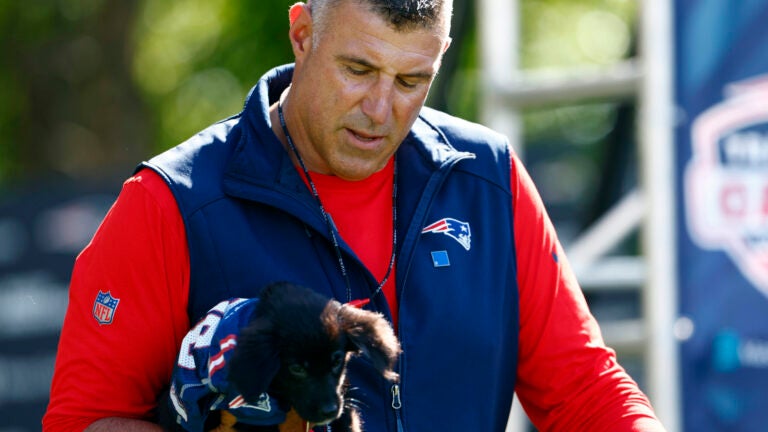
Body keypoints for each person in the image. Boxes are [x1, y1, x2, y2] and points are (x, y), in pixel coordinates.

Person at [43, 0, 667, 431]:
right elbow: (79, 420)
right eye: (358, 69)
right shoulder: (171, 200)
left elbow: (584, 393)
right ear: (302, 33)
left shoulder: (486, 177)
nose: (380, 108)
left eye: (411, 79)